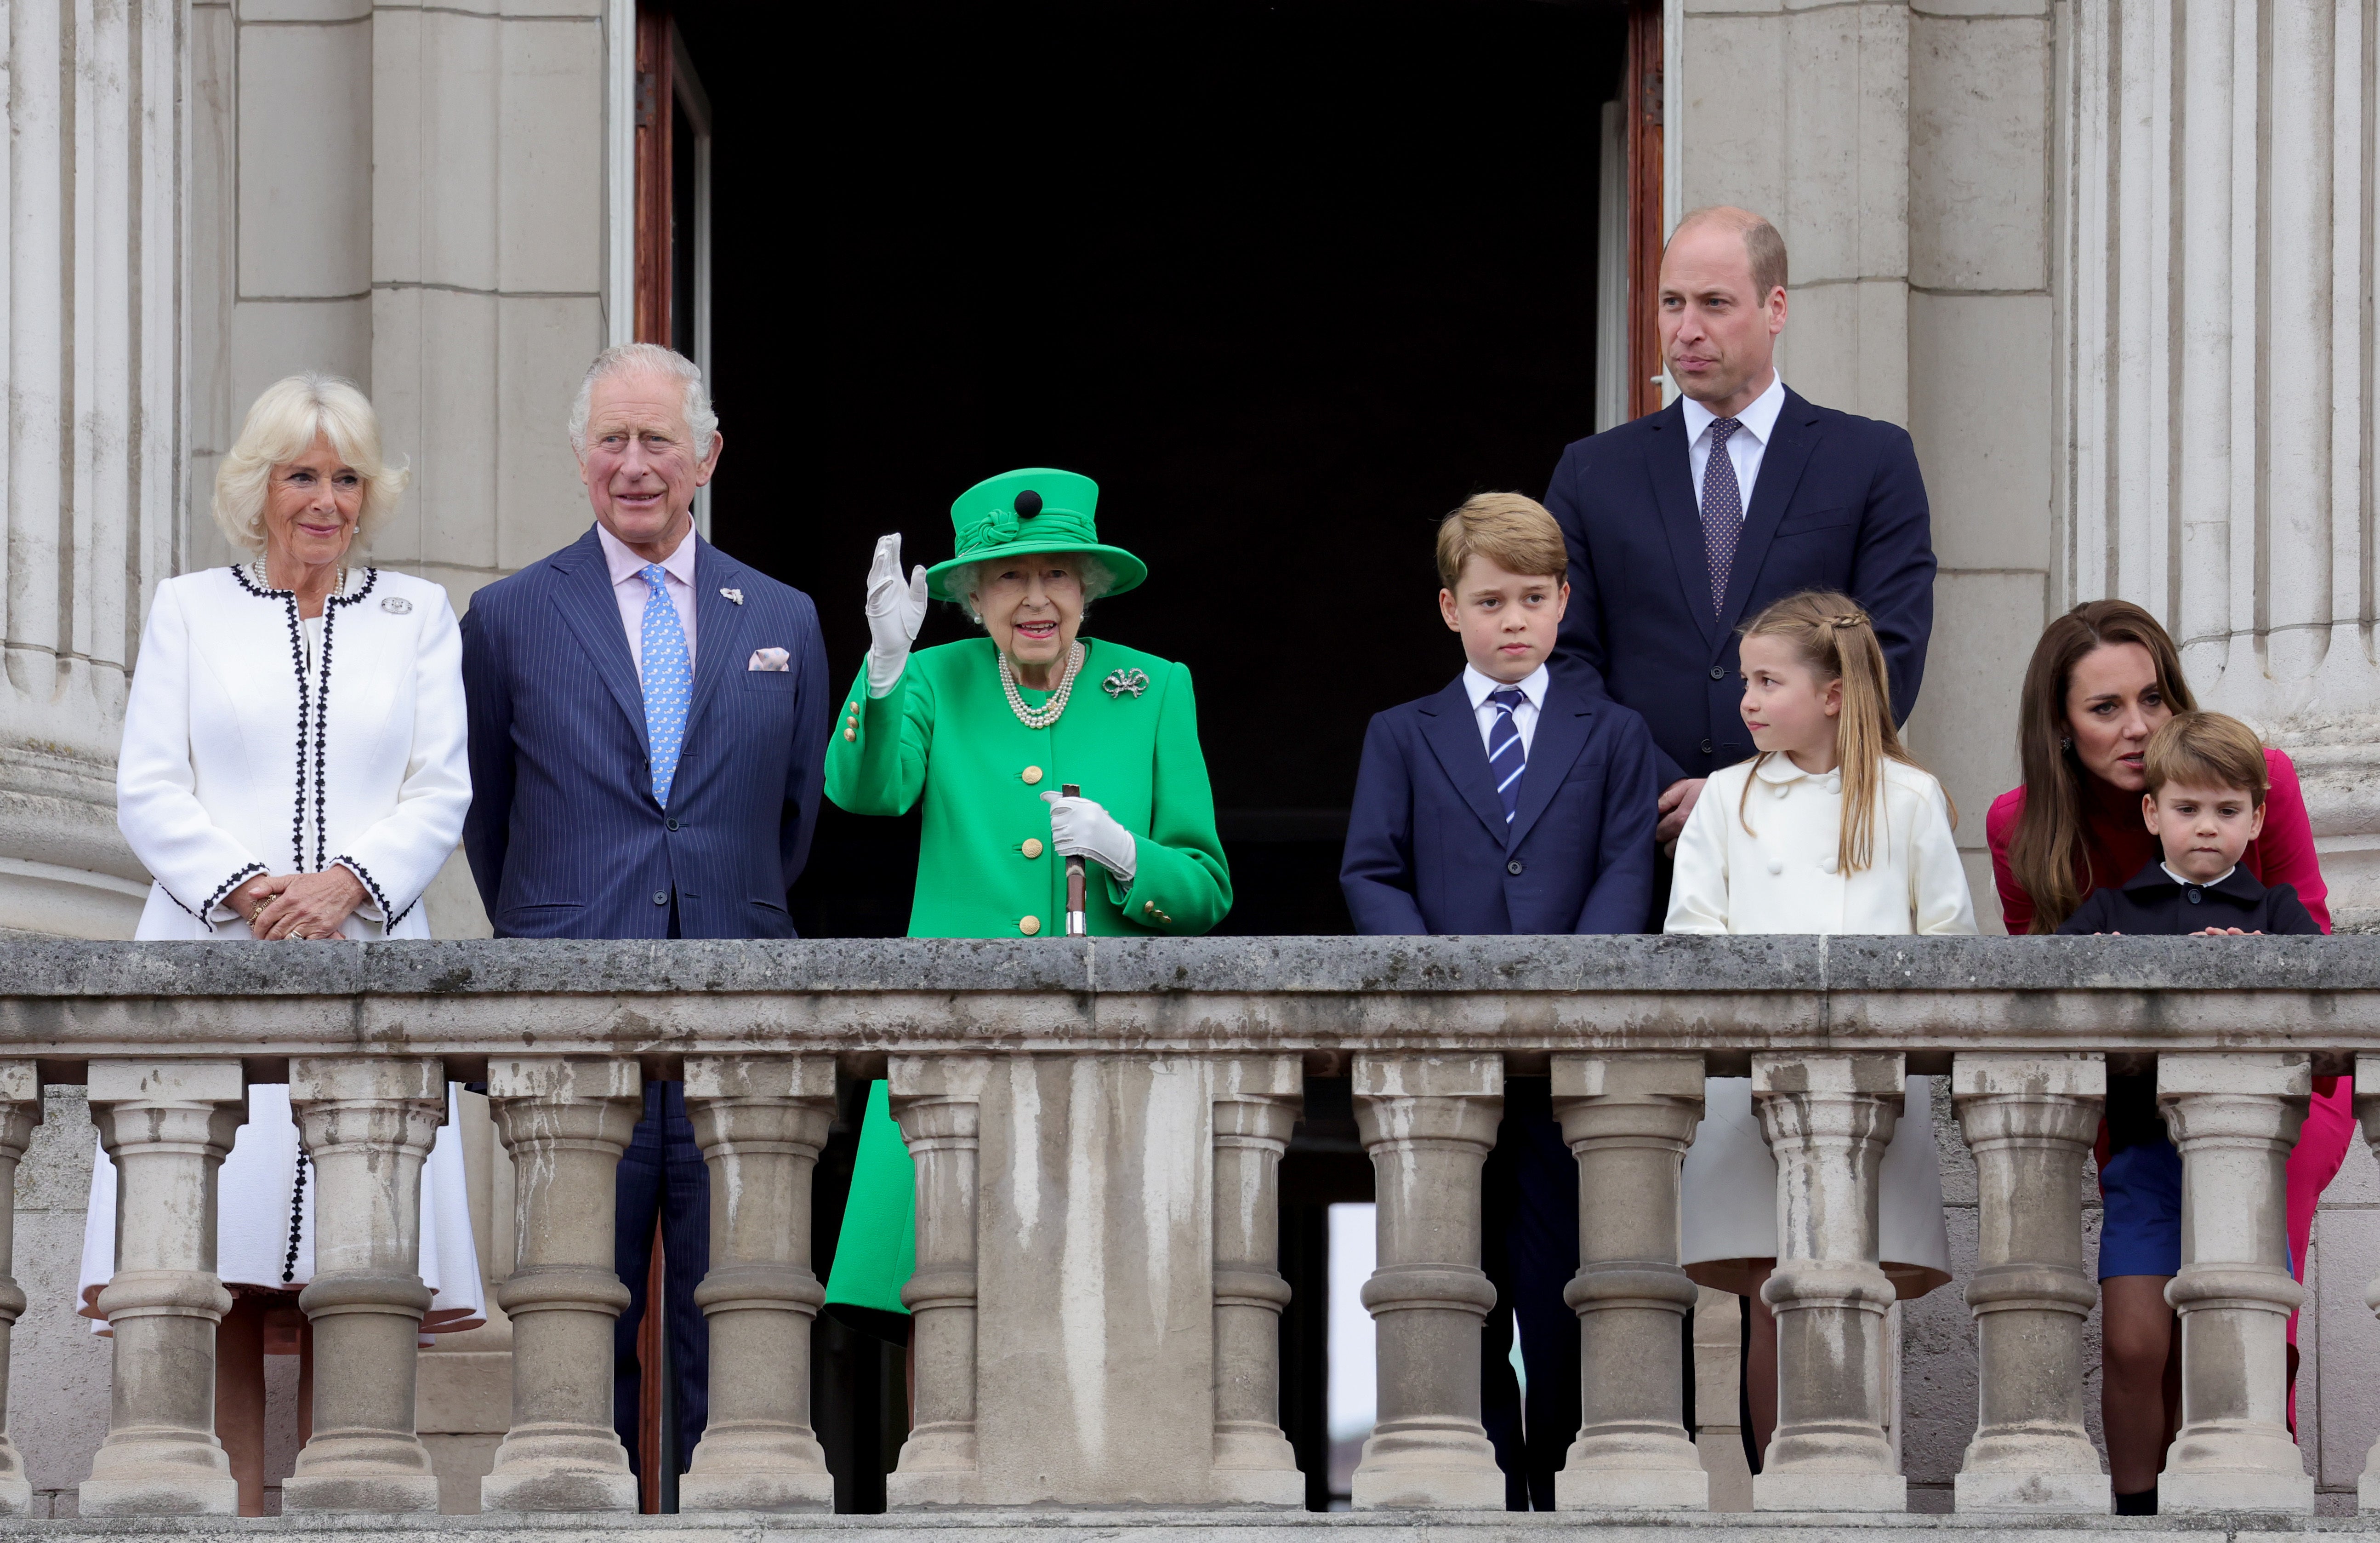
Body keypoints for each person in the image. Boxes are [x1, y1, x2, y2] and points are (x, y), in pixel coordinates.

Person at [93, 372, 482, 1514]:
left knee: (352, 1268)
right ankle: (226, 1517)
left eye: (346, 476)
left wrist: (344, 887)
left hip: (369, 960)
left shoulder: (417, 614)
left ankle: (340, 1518)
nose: (325, 500)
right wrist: (251, 887)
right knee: (216, 1254)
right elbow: (148, 786)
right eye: (302, 475)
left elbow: (439, 786)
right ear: (258, 489)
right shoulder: (187, 608)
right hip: (214, 956)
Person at [459, 342, 831, 1484]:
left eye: (658, 440)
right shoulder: (509, 615)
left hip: (738, 1023)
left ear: (707, 456)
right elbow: (490, 814)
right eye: (612, 441)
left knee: (743, 1319)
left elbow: (795, 816)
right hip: (572, 1021)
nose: (635, 464)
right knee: (578, 1324)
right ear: (581, 460)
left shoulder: (784, 616)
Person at [820, 467, 1230, 1336]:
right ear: (972, 595)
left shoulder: (1154, 689)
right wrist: (883, 670)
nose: (1035, 598)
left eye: (1057, 574)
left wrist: (1128, 855)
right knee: (940, 1305)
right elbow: (864, 793)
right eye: (1009, 576)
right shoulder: (931, 679)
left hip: (1102, 1052)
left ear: (1089, 587)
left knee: (1098, 1313)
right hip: (955, 1043)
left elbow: (1205, 888)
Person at [1339, 492, 1660, 1508]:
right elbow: (1370, 870)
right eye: (1490, 600)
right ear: (1450, 609)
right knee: (1454, 1283)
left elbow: (1624, 870)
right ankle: (1481, 1480)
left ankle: (1563, 1486)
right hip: (1448, 1071)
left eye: (1532, 597)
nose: (1512, 619)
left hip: (1569, 1076)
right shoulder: (1402, 732)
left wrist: (1572, 994)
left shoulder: (1614, 734)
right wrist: (1440, 986)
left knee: (1564, 1290)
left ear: (1565, 602)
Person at [1990, 601, 2343, 1514]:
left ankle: (2249, 1490)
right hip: (2137, 1103)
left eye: (2152, 696)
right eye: (2105, 707)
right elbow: (2043, 997)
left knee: (2249, 1294)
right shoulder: (2019, 825)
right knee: (2143, 1329)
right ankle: (2147, 1508)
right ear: (2060, 726)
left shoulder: (2255, 777)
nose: (2139, 725)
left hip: (2283, 1093)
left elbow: (2318, 944)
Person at [1665, 591, 1968, 1470]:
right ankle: (1779, 1490)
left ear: (1832, 692)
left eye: (1768, 681)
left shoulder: (1910, 798)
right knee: (1770, 1292)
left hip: (1872, 1090)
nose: (1746, 700)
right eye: (1745, 681)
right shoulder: (1726, 798)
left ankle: (1857, 1475)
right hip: (1747, 1088)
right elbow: (1692, 939)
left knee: (1855, 1286)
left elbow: (1949, 944)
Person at [1541, 206, 1935, 872]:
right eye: (1671, 303)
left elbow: (1885, 653)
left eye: (1714, 304)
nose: (1686, 330)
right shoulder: (1590, 472)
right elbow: (1562, 655)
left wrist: (1754, 790)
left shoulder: (1870, 460)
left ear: (1775, 308)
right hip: (1637, 846)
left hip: (1816, 842)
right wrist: (1661, 788)